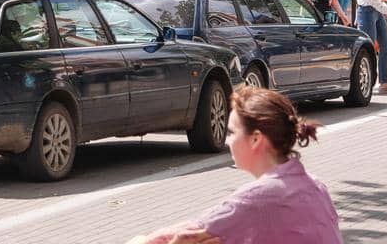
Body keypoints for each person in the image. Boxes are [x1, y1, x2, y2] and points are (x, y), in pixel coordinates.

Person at [128, 87, 342, 244]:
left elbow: (187, 235)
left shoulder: (259, 197)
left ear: (256, 139)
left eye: (232, 132)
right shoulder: (315, 186)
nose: (228, 141)